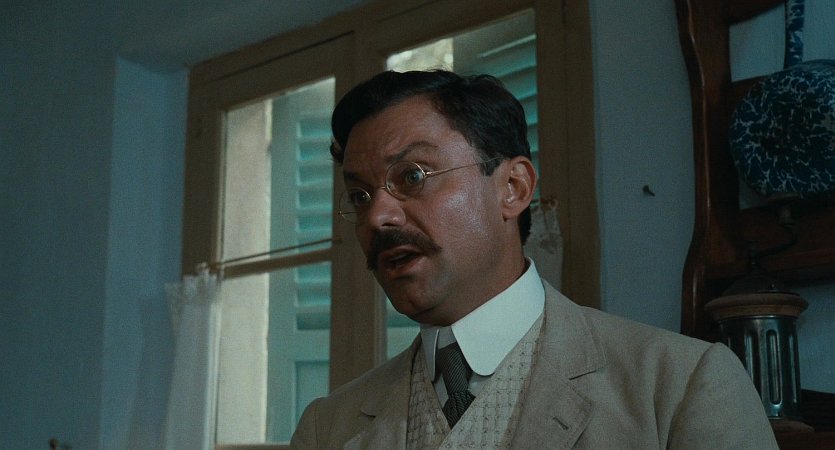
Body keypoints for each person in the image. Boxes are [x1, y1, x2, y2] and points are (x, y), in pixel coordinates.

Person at [290, 70, 778, 449]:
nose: (377, 216)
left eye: (413, 176)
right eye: (360, 196)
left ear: (513, 187)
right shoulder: (326, 428)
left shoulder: (683, 387)